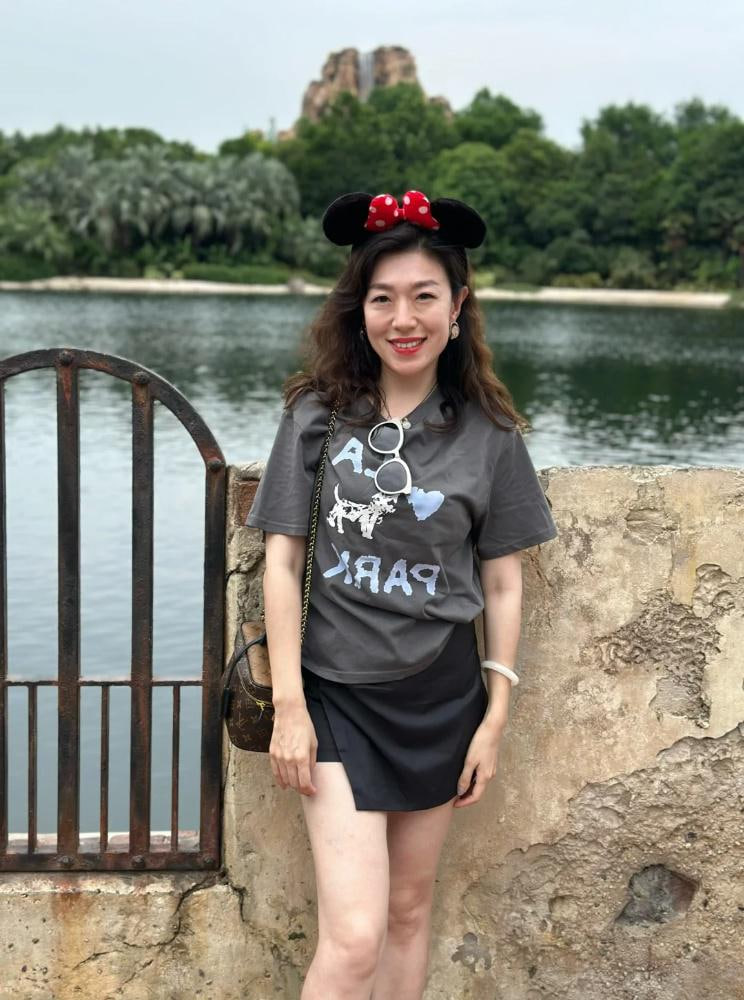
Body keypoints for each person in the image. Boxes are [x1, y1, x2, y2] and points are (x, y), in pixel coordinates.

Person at [245, 188, 558, 999]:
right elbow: (282, 561)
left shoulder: (490, 435)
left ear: (458, 307)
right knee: (354, 937)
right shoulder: (318, 416)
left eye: (424, 296)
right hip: (335, 699)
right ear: (360, 311)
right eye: (383, 298)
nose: (403, 318)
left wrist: (494, 717)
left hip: (440, 702)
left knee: (410, 913)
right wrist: (289, 708)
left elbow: (502, 582)